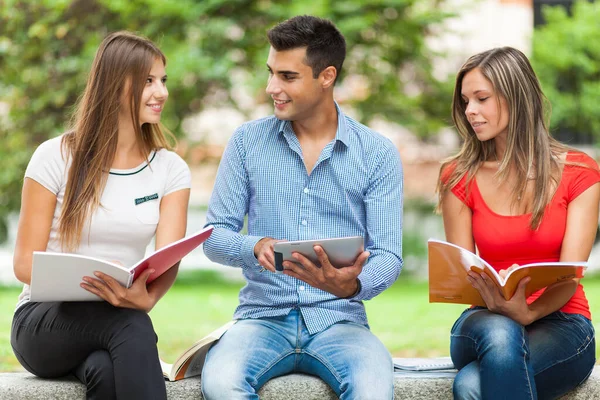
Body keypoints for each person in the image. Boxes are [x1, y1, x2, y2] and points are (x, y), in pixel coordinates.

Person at [201, 15, 403, 400]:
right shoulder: (246, 142)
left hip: (340, 320)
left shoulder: (376, 153)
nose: (271, 87)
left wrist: (355, 284)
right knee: (221, 383)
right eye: (271, 73)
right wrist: (253, 246)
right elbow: (214, 236)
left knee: (374, 390)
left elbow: (389, 254)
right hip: (261, 318)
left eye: (287, 77)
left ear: (326, 76)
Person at [11, 31, 191, 400]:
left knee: (106, 372)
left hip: (117, 318)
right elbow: (24, 265)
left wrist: (148, 298)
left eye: (162, 81)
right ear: (114, 84)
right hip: (43, 320)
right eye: (148, 81)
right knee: (131, 325)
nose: (161, 92)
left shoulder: (170, 169)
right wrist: (91, 276)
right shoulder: (54, 156)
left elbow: (169, 255)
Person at [437, 46, 599, 400]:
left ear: (517, 97)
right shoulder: (458, 176)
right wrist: (501, 304)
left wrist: (529, 312)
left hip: (562, 321)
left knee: (470, 386)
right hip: (483, 320)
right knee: (499, 332)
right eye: (465, 101)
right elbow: (464, 275)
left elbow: (568, 278)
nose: (470, 112)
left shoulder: (579, 173)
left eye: (481, 98)